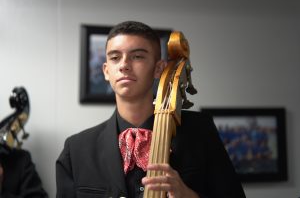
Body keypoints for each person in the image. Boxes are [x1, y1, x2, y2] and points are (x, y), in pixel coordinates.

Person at [56, 20, 246, 198]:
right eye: (115, 58)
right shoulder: (76, 149)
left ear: (158, 69)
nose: (124, 65)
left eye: (137, 56)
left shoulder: (200, 132)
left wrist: (187, 195)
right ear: (106, 71)